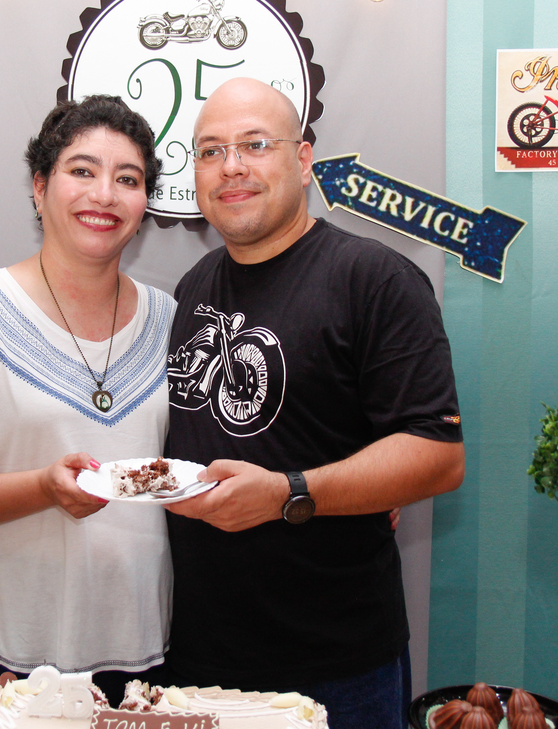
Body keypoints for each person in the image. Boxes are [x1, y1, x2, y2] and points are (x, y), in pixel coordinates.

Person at [163, 78, 465, 729]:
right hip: (195, 658)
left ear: (303, 161)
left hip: (336, 669)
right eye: (211, 151)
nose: (231, 166)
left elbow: (438, 454)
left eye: (255, 145)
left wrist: (289, 492)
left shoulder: (375, 279)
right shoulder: (193, 286)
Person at [0, 95, 174, 700]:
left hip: (151, 639)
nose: (104, 194)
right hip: (22, 648)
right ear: (40, 187)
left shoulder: (170, 319)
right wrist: (42, 488)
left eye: (128, 179)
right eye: (82, 170)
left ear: (144, 203)